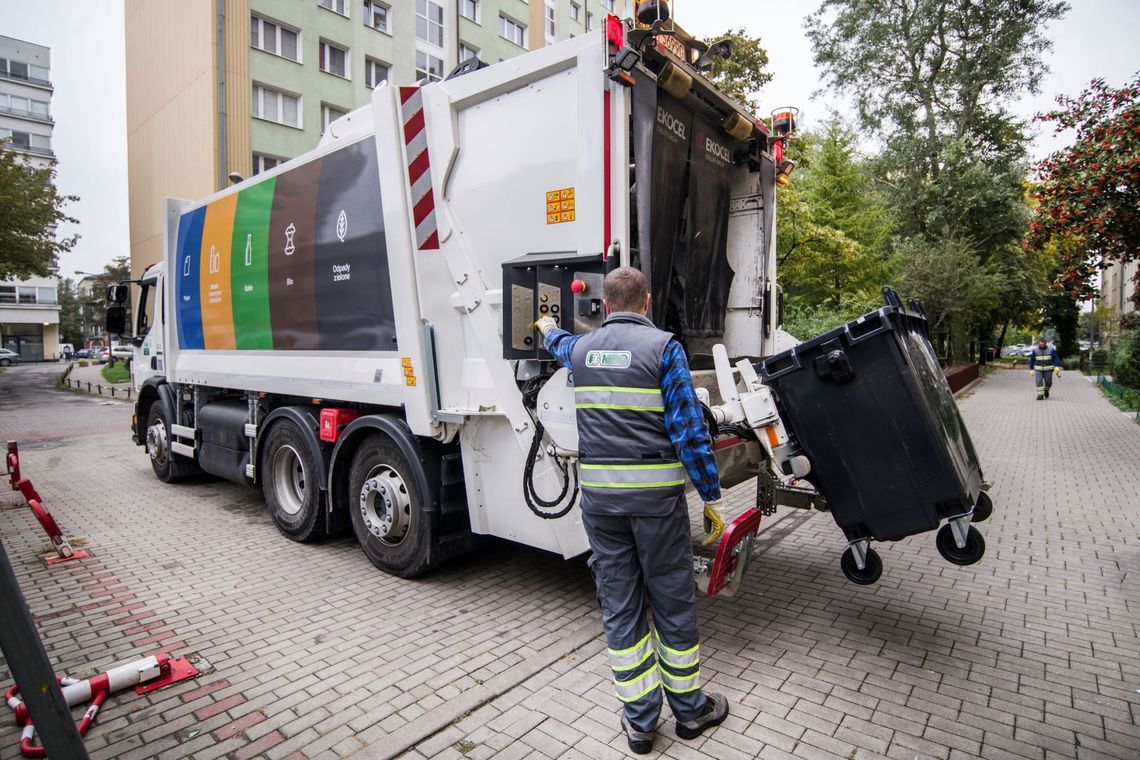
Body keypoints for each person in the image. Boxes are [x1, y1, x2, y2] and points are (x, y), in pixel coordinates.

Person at [534, 266, 729, 754]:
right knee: (672, 601)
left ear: (605, 305)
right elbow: (689, 431)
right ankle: (690, 712)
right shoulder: (664, 348)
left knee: (620, 605)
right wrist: (711, 495)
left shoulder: (581, 350)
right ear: (647, 302)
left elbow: (558, 344)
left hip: (601, 506)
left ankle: (640, 723)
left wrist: (545, 326)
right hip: (656, 506)